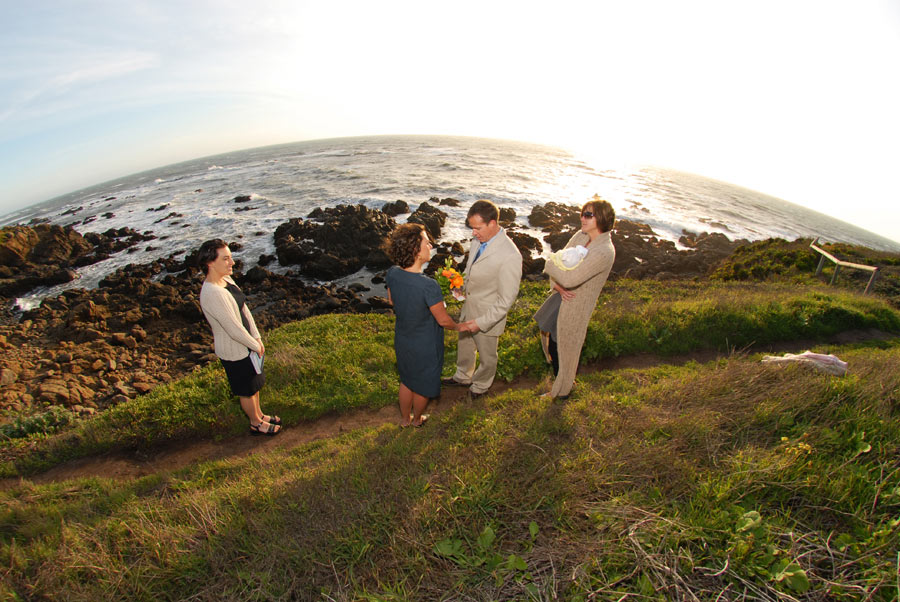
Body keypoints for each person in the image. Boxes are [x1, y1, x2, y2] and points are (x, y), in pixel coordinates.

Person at [534, 196, 616, 399]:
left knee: (566, 347)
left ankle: (562, 391)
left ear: (602, 218)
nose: (583, 218)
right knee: (553, 341)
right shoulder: (581, 236)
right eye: (582, 213)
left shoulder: (604, 251)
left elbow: (567, 273)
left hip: (576, 306)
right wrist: (559, 286)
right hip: (562, 297)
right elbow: (562, 260)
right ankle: (562, 382)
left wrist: (552, 266)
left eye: (589, 215)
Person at [197, 239, 281, 436]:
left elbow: (244, 309)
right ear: (210, 262)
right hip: (235, 351)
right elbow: (233, 329)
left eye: (231, 258)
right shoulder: (212, 293)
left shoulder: (226, 280)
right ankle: (255, 423)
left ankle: (259, 415)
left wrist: (257, 338)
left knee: (255, 384)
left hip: (248, 345)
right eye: (226, 259)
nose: (232, 263)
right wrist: (254, 344)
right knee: (246, 390)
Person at [443, 200, 523, 400]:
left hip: (488, 317)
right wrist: (461, 285)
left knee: (488, 357)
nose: (473, 233)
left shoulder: (510, 255)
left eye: (477, 228)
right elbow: (472, 270)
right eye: (472, 228)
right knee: (465, 346)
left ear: (493, 223)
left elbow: (506, 300)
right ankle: (462, 376)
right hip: (469, 306)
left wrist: (480, 323)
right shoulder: (478, 240)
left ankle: (481, 386)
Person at [384, 223, 459, 427]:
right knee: (423, 384)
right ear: (416, 250)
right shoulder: (428, 285)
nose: (430, 245)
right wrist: (461, 326)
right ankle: (417, 420)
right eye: (427, 241)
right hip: (425, 344)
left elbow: (392, 301)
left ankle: (404, 420)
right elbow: (443, 320)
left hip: (403, 338)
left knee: (407, 380)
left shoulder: (392, 273)